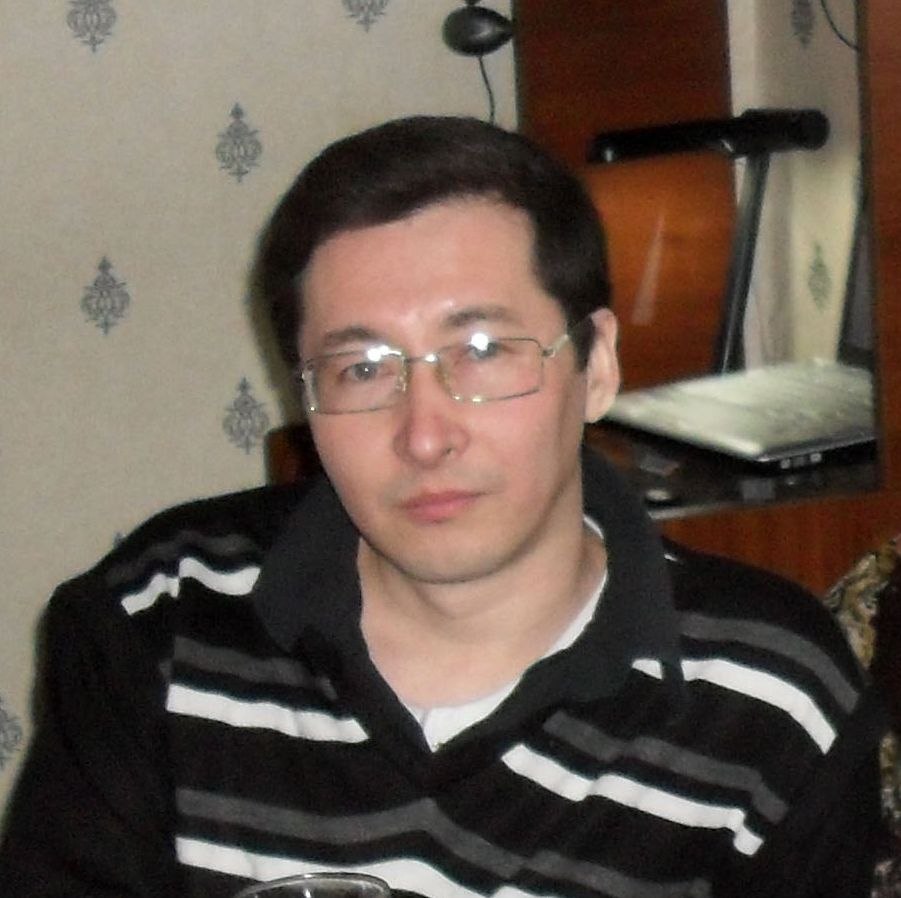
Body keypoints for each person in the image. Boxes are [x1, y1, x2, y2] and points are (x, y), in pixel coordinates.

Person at [0, 115, 889, 898]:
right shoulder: (157, 622)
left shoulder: (768, 697)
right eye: (361, 369)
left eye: (483, 351)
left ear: (596, 365)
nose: (424, 436)